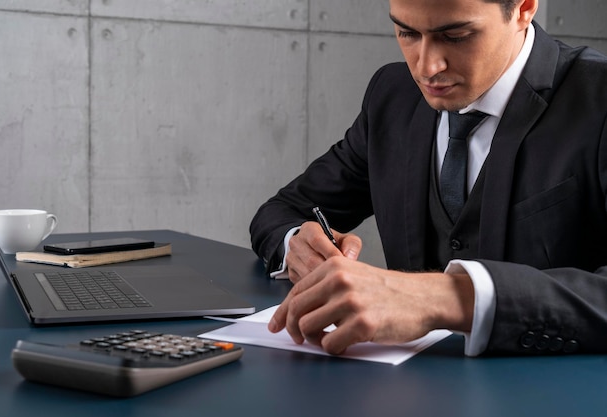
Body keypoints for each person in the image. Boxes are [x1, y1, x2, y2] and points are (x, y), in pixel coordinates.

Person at [249, 0, 607, 357]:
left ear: (524, 8)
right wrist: (298, 244)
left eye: (455, 35)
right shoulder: (392, 95)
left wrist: (443, 298)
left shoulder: (599, 99)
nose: (426, 67)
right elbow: (282, 211)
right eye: (407, 32)